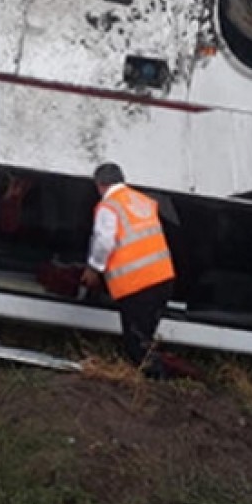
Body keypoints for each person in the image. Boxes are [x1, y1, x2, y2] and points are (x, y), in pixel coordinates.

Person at [81, 162, 184, 380]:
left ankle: (155, 384)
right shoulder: (143, 200)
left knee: (136, 341)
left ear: (100, 185)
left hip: (137, 284)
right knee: (145, 336)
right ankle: (154, 380)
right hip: (163, 278)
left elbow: (103, 242)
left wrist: (93, 270)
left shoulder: (109, 206)